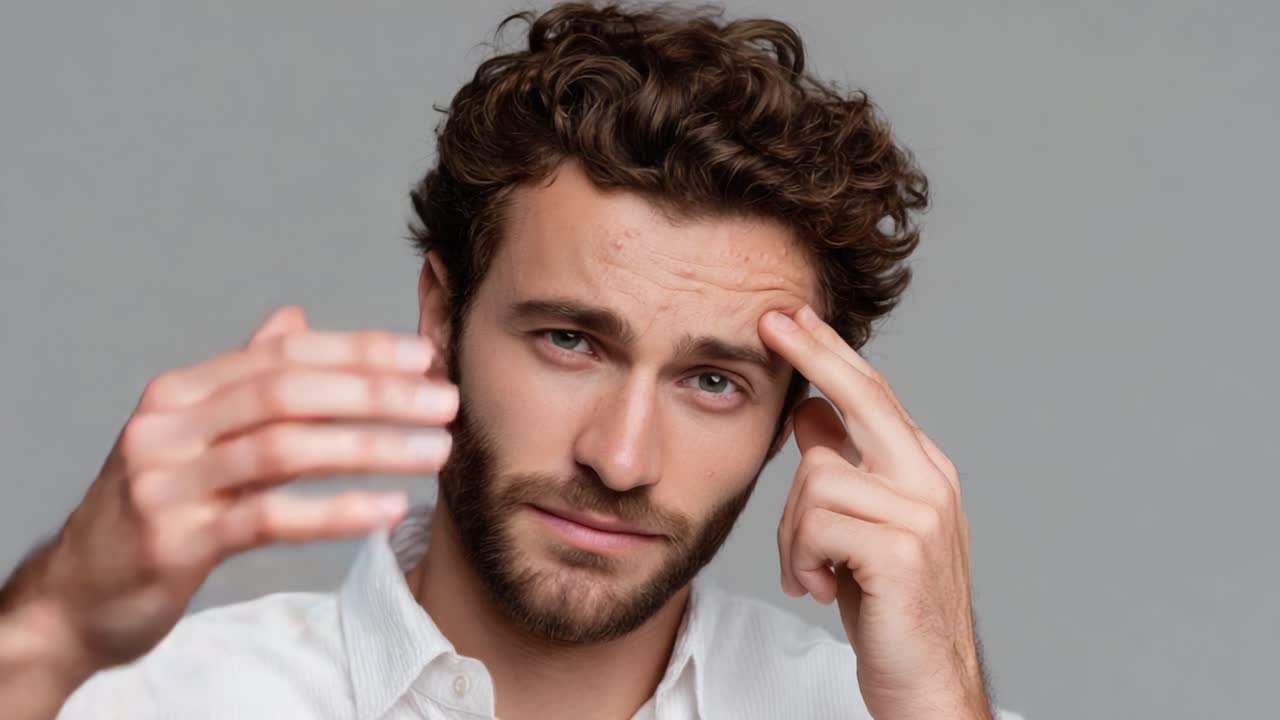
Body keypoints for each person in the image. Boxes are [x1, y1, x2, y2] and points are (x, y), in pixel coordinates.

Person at [0, 3, 1023, 718]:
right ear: (441, 319)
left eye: (712, 382)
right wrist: (48, 632)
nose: (620, 461)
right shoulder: (133, 702)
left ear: (796, 418)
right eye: (568, 341)